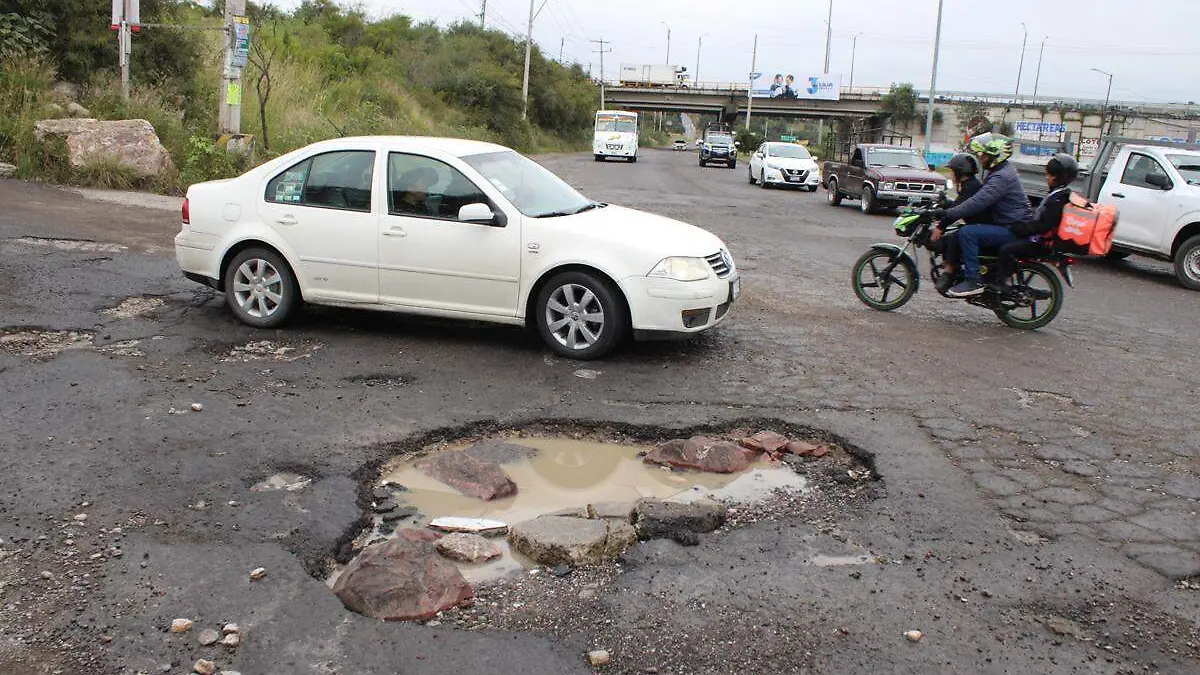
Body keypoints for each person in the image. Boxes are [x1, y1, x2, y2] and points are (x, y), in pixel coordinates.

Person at [934, 133, 1035, 297]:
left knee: (968, 233)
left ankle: (973, 280)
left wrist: (947, 213)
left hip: (1012, 228)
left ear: (995, 155)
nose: (981, 159)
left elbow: (976, 203)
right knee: (963, 231)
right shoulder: (1001, 172)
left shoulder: (1001, 177)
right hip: (1006, 224)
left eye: (984, 155)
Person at [993, 153, 1078, 284]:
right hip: (1043, 239)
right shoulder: (1062, 195)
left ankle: (1005, 283)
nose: (1046, 177)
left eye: (1048, 174)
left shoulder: (1057, 199)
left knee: (1006, 250)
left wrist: (1020, 228)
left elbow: (1043, 225)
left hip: (1040, 242)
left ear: (1055, 176)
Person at [932, 153, 985, 293]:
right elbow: (958, 205)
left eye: (952, 171)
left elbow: (959, 210)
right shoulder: (969, 185)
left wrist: (940, 226)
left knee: (955, 236)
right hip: (977, 225)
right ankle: (952, 267)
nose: (950, 175)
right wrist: (944, 204)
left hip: (981, 227)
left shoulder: (971, 187)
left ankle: (949, 272)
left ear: (960, 171)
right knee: (950, 237)